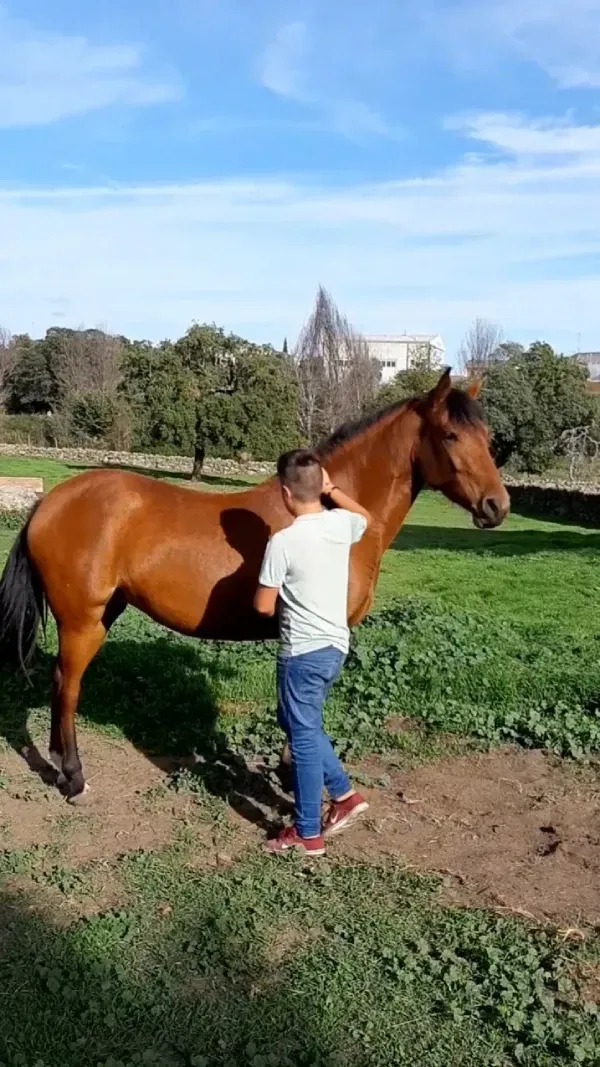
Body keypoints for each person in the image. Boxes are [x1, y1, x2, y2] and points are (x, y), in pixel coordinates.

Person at [254, 448, 371, 856]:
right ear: (318, 488)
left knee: (301, 738)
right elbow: (364, 518)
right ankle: (344, 796)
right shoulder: (340, 525)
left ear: (285, 493)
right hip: (334, 646)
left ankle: (307, 832)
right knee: (295, 720)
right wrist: (332, 490)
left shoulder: (282, 542)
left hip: (301, 652)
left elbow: (263, 606)